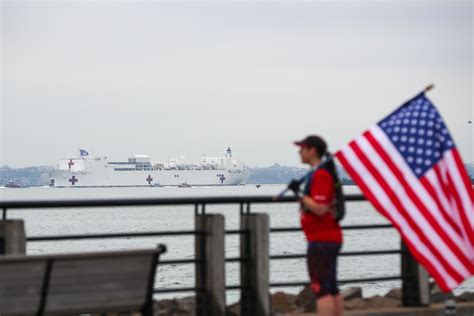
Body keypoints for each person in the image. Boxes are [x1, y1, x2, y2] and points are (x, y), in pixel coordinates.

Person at [292, 135, 344, 316]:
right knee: (331, 287)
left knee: (321, 290)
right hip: (327, 238)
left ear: (312, 150)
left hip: (321, 240)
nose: (299, 152)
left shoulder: (321, 175)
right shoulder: (321, 173)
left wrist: (300, 195)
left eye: (302, 148)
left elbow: (320, 208)